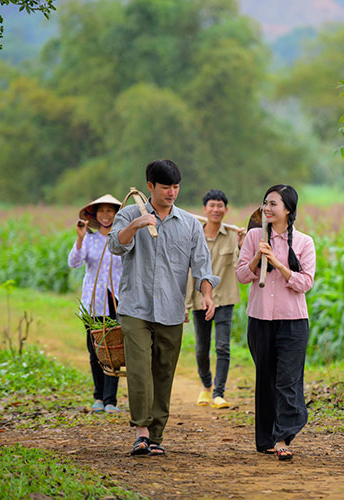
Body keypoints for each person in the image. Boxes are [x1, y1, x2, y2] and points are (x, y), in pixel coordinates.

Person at [108, 159, 220, 457]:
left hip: (172, 309)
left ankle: (156, 436)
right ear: (150, 187)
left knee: (163, 371)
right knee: (140, 369)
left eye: (176, 186)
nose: (172, 192)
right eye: (165, 187)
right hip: (135, 306)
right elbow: (115, 246)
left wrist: (206, 294)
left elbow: (202, 266)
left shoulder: (189, 225)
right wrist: (135, 225)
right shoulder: (130, 212)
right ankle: (141, 432)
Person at [235, 185, 316, 461]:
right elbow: (242, 275)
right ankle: (266, 438)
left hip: (293, 321)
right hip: (260, 319)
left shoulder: (304, 242)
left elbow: (305, 282)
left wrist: (279, 265)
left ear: (288, 210)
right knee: (266, 379)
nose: (267, 209)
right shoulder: (254, 236)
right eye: (265, 204)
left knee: (288, 380)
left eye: (273, 204)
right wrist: (258, 256)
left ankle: (283, 437)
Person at [186, 189, 246, 409]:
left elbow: (243, 267)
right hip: (200, 299)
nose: (216, 209)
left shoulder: (232, 235)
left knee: (223, 347)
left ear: (226, 210)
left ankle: (218, 393)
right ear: (204, 209)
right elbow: (186, 270)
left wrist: (242, 243)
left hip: (225, 298)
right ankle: (206, 386)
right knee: (202, 348)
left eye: (220, 205)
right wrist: (185, 303)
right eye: (212, 205)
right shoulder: (194, 235)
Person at [68, 194, 123, 414]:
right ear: (95, 215)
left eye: (110, 211)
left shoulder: (122, 238)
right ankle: (98, 397)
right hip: (94, 301)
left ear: (117, 215)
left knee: (114, 349)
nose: (106, 216)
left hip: (117, 300)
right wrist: (80, 238)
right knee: (95, 350)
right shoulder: (89, 239)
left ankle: (111, 400)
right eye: (102, 211)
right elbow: (74, 262)